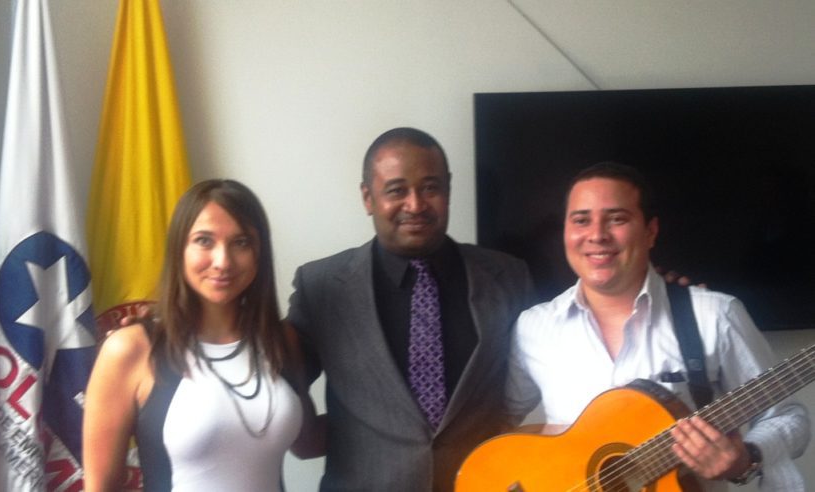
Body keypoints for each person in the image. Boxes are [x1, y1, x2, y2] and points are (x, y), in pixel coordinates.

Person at [506, 162, 810, 490]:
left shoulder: (715, 316)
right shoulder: (533, 328)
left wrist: (745, 457)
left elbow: (789, 418)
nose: (596, 235)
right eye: (581, 220)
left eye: (617, 219)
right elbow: (501, 417)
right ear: (565, 231)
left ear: (651, 231)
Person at [287, 127, 538, 491]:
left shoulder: (509, 277)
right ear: (367, 197)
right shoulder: (322, 287)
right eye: (396, 190)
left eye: (430, 187)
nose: (416, 204)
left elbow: (549, 376)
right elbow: (282, 387)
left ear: (448, 190)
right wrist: (313, 437)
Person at [83, 179, 318, 492]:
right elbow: (100, 487)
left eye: (241, 242)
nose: (222, 261)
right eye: (204, 241)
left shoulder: (281, 340)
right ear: (179, 249)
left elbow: (308, 442)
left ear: (260, 253)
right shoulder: (130, 349)